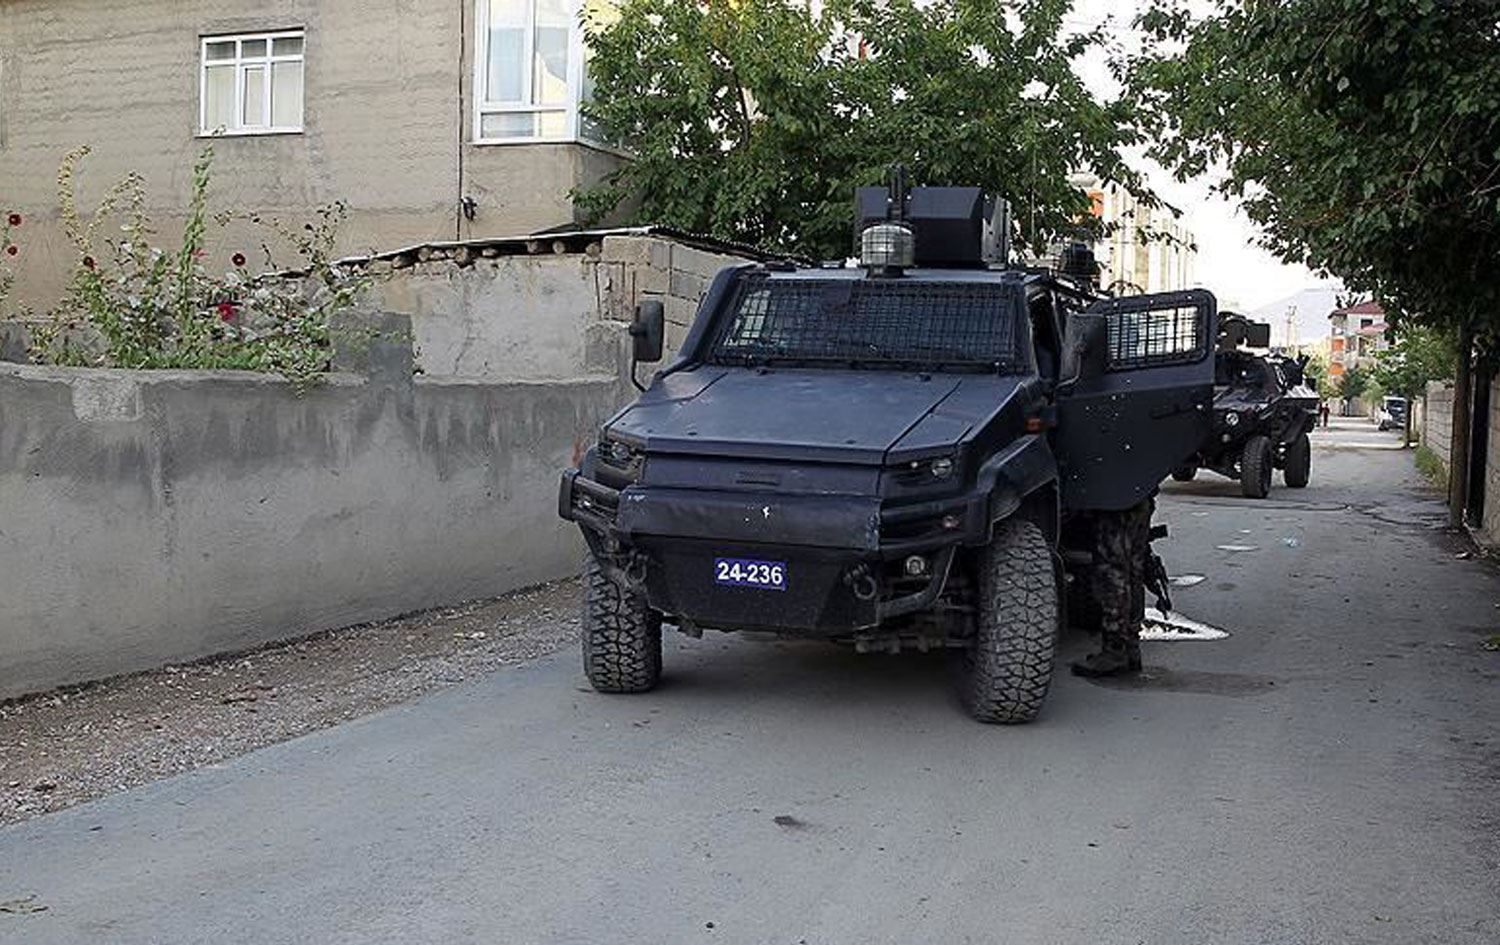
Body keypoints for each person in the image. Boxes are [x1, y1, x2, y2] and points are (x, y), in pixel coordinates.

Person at [1071, 497, 1155, 677]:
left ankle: (1115, 650)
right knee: (1133, 571)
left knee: (1112, 573)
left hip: (1115, 505)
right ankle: (1131, 646)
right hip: (1138, 496)